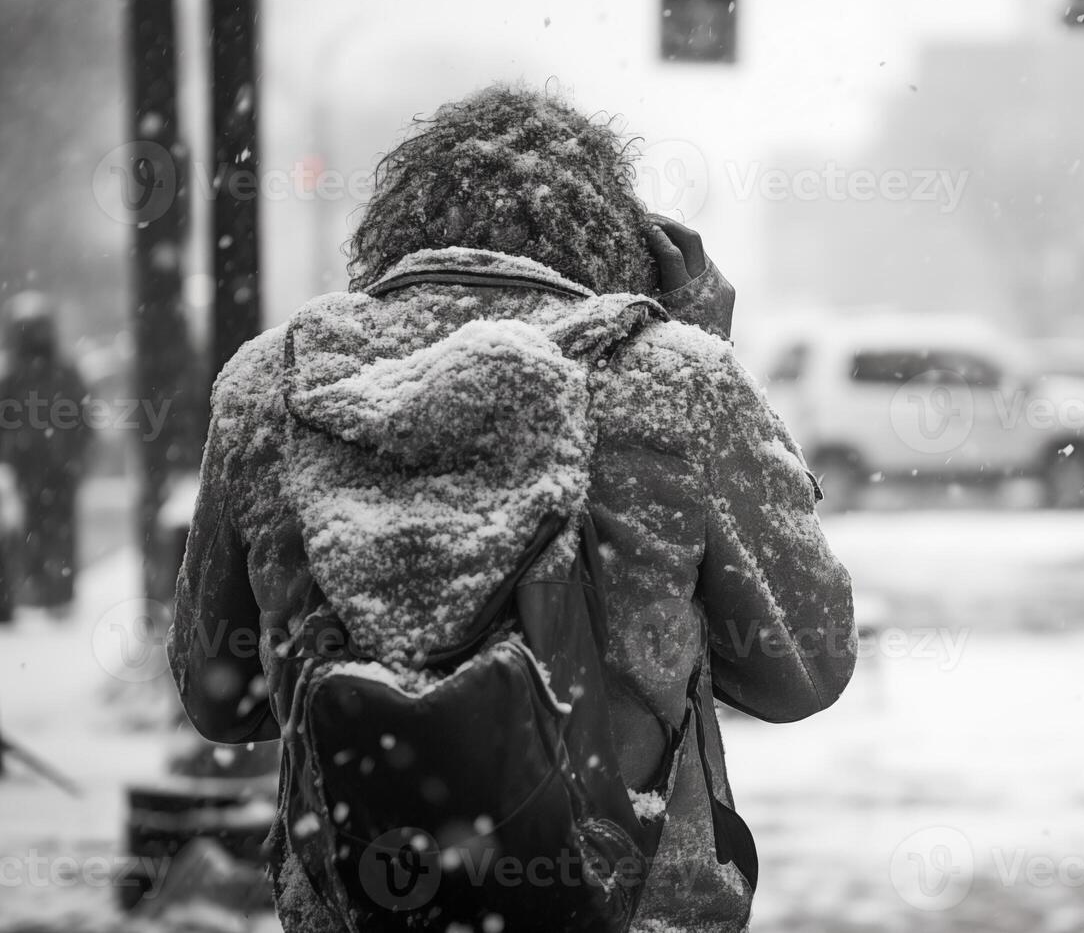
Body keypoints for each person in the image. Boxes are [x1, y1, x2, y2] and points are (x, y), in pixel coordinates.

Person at [170, 85, 855, 932]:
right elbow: (801, 670)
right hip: (635, 901)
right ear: (614, 238)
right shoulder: (677, 384)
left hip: (363, 899)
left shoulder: (267, 383)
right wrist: (704, 353)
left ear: (392, 226)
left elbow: (218, 697)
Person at [0, 293, 90, 615]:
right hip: (32, 468)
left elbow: (83, 419)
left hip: (54, 468)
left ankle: (55, 593)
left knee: (52, 530)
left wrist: (74, 456)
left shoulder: (57, 374)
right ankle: (41, 590)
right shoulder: (15, 378)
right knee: (35, 530)